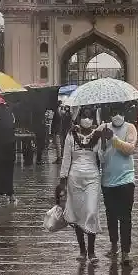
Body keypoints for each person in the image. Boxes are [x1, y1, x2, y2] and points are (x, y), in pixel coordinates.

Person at [59, 108, 101, 262]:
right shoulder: (71, 135)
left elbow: (102, 157)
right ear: (79, 118)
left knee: (91, 212)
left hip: (92, 178)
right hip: (74, 178)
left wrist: (106, 140)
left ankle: (92, 251)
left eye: (90, 117)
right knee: (77, 215)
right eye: (84, 116)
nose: (87, 120)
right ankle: (82, 250)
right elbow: (66, 158)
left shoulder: (98, 135)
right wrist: (62, 180)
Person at [99, 103, 137, 266]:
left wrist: (113, 138)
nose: (117, 116)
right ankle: (114, 245)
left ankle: (126, 252)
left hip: (126, 179)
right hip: (107, 180)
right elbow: (95, 149)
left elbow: (129, 149)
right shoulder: (103, 127)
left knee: (125, 217)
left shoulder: (130, 128)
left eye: (120, 113)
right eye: (114, 113)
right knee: (111, 215)